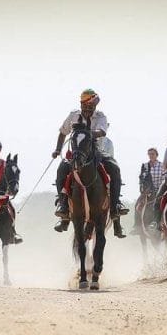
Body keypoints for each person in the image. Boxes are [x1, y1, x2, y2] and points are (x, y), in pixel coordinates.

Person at [51, 88, 128, 238]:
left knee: (114, 168)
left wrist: (88, 134)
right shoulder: (73, 115)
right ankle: (64, 208)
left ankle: (115, 207)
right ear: (81, 104)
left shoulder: (100, 116)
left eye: (91, 107)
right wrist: (57, 149)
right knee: (61, 169)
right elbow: (62, 132)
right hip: (76, 154)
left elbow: (102, 132)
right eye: (86, 106)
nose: (88, 109)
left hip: (95, 153)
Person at [129, 147, 163, 235]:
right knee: (137, 204)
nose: (151, 156)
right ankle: (137, 226)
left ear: (156, 155)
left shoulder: (162, 165)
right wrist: (142, 188)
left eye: (153, 154)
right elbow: (141, 177)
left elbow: (164, 178)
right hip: (148, 190)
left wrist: (161, 189)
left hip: (160, 190)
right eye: (149, 154)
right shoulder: (145, 165)